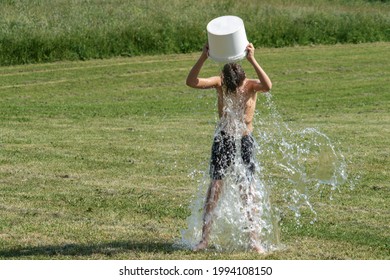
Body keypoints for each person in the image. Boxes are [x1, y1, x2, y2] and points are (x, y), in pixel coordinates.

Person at [186, 43, 272, 253]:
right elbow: (191, 82)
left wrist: (252, 59)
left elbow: (268, 85)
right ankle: (204, 239)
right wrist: (203, 57)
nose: (234, 91)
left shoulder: (251, 85)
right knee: (215, 187)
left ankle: (254, 241)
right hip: (223, 139)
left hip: (244, 140)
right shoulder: (219, 83)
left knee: (247, 189)